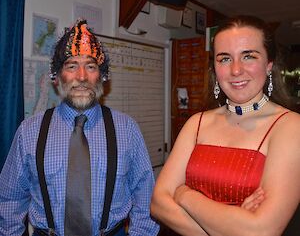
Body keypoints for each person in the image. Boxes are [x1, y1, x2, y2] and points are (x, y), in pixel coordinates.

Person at [0, 19, 159, 236]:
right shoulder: (29, 131)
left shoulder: (127, 129)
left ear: (102, 76)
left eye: (91, 66)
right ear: (57, 77)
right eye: (72, 66)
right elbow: (10, 199)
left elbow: (145, 197)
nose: (82, 76)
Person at [151, 15, 300, 236]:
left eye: (248, 56)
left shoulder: (290, 126)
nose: (236, 70)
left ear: (269, 64)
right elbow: (158, 204)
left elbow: (262, 231)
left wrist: (185, 195)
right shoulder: (196, 123)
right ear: (215, 67)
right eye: (224, 59)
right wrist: (232, 225)